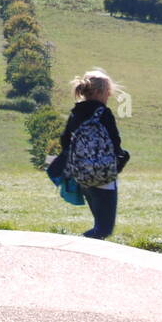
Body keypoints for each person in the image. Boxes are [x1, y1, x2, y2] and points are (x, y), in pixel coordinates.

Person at [59, 68, 128, 240]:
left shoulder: (76, 113)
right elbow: (115, 143)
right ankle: (76, 247)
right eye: (108, 92)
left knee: (99, 225)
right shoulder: (103, 113)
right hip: (103, 175)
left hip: (83, 176)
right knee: (104, 229)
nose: (109, 96)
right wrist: (121, 160)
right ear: (98, 92)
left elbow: (65, 140)